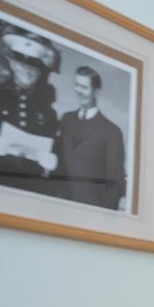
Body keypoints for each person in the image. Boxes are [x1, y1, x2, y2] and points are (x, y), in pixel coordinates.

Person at [0, 34, 59, 194]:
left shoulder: (47, 111)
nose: (29, 71)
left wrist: (51, 159)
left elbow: (52, 144)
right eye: (23, 64)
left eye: (34, 67)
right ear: (12, 64)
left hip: (33, 183)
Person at [48, 66, 127, 210]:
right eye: (76, 85)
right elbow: (56, 161)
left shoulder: (111, 131)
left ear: (96, 91)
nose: (78, 91)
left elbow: (115, 183)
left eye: (84, 87)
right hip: (59, 204)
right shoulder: (66, 119)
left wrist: (102, 216)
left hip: (91, 210)